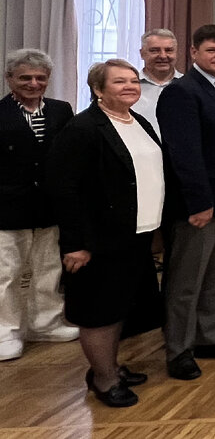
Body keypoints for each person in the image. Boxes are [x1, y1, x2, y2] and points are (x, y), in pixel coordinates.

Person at [47, 59, 165, 407]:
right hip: (98, 241)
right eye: (119, 82)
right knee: (98, 312)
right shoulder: (83, 128)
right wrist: (75, 244)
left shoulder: (138, 121)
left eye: (133, 81)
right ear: (98, 89)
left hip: (134, 235)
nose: (130, 86)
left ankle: (110, 366)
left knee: (119, 308)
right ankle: (104, 378)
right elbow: (63, 189)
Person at [157, 24, 215, 380]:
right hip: (200, 206)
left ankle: (210, 337)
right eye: (212, 50)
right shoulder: (182, 92)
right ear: (194, 52)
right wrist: (199, 202)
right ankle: (179, 349)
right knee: (187, 281)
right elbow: (184, 153)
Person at [0, 49, 77, 362]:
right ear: (9, 79)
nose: (33, 83)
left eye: (40, 78)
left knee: (49, 269)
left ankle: (45, 323)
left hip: (50, 206)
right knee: (7, 273)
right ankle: (6, 331)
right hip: (8, 207)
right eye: (25, 78)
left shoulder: (61, 110)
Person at [130, 29, 182, 135]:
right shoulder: (128, 88)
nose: (163, 56)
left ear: (176, 53)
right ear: (142, 54)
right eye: (154, 50)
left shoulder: (190, 87)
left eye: (169, 50)